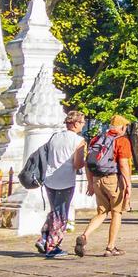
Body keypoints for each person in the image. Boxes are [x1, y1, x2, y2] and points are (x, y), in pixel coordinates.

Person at [77, 113, 133, 258]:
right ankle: (110, 247)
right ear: (121, 127)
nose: (126, 128)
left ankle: (84, 236)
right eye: (125, 126)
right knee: (116, 212)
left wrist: (90, 183)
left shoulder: (96, 139)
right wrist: (128, 185)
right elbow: (123, 164)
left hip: (97, 179)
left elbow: (88, 163)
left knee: (102, 212)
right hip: (113, 180)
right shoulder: (122, 141)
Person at [36, 110, 87, 259]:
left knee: (54, 212)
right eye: (82, 122)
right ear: (76, 123)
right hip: (65, 180)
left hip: (50, 179)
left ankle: (44, 239)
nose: (82, 125)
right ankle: (52, 246)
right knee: (61, 215)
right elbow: (78, 164)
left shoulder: (55, 137)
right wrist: (85, 161)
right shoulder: (78, 141)